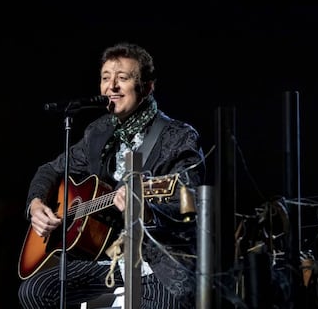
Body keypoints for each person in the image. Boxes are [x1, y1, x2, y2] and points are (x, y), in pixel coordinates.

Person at [18, 42, 205, 309]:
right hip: (107, 262)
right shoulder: (99, 132)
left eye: (123, 78)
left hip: (158, 266)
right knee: (35, 291)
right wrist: (36, 204)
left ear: (148, 87)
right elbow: (50, 170)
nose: (111, 87)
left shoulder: (177, 136)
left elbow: (190, 202)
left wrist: (147, 211)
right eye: (106, 78)